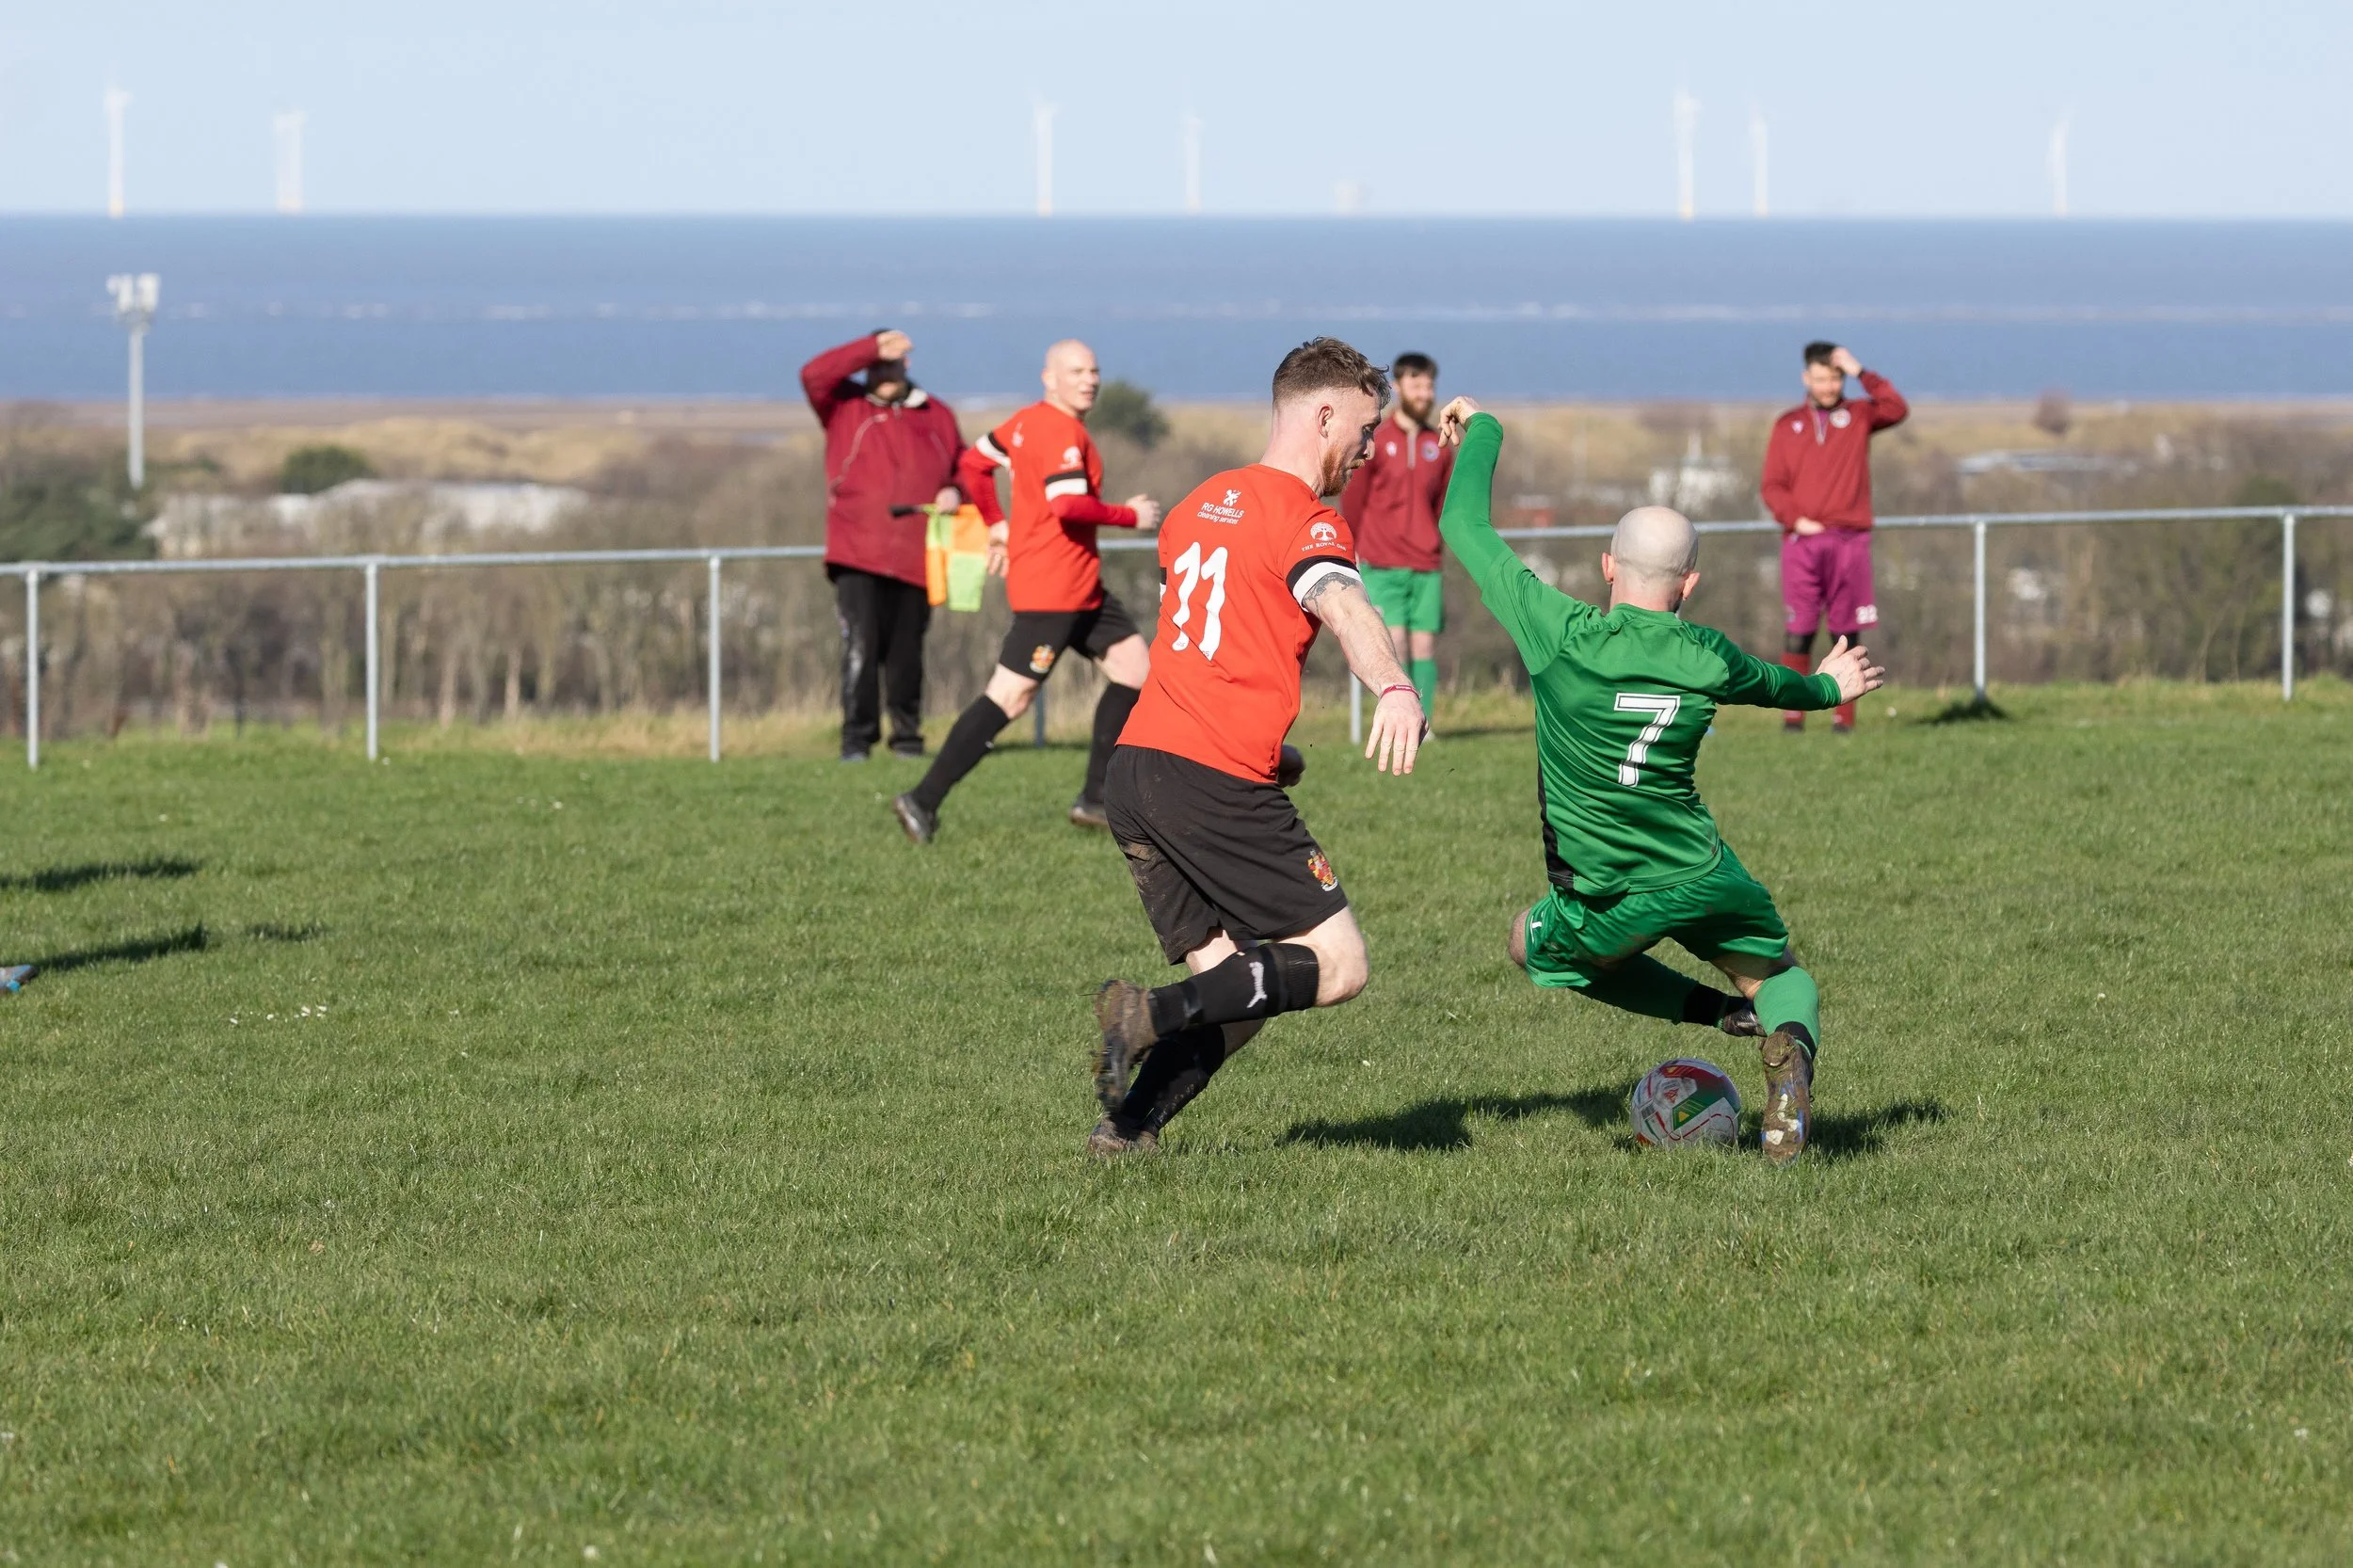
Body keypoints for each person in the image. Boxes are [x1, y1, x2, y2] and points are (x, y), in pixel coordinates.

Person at [1438, 396, 1883, 1165]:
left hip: (1607, 894)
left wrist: (1483, 430)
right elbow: (1779, 684)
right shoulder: (1707, 655)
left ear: (1608, 567)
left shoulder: (1559, 635)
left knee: (1531, 946)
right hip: (1703, 871)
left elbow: (1464, 529)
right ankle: (1783, 1047)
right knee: (1780, 976)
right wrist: (1828, 689)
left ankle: (1717, 1017)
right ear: (1689, 584)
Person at [1086, 338, 1428, 1158]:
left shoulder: (1198, 505)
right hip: (1208, 776)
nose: (1371, 447)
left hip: (1135, 772)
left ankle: (1127, 1131)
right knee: (1337, 965)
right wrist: (1396, 686)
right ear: (1322, 414)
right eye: (1365, 427)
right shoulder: (1307, 519)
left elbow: (1205, 651)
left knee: (1239, 992)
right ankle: (1144, 1013)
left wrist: (1275, 754)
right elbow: (1344, 605)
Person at [892, 340, 1160, 840]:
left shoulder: (1023, 422)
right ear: (1049, 378)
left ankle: (1096, 800)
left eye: (1094, 370)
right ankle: (921, 800)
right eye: (1076, 371)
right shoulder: (1058, 429)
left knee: (1136, 670)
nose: (1090, 380)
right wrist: (1130, 516)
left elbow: (973, 464)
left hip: (1083, 589)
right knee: (1010, 697)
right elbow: (1066, 505)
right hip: (1052, 591)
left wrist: (997, 524)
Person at [801, 329, 971, 760]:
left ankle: (908, 740)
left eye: (892, 363)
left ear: (907, 366)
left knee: (906, 655)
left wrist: (955, 490)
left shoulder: (937, 415)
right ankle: (856, 742)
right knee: (860, 646)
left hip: (918, 556)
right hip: (857, 553)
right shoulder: (844, 407)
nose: (884, 373)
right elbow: (813, 374)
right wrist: (869, 347)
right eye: (876, 364)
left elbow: (965, 469)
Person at [1758, 342, 1907, 733]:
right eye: (1822, 378)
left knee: (1846, 631)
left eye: (1836, 377)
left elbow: (1896, 408)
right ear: (1807, 378)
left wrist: (1861, 371)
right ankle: (1793, 718)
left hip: (1850, 541)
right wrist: (1795, 519)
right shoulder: (1786, 424)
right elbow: (1772, 485)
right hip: (1802, 542)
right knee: (1800, 629)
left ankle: (1845, 721)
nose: (1828, 386)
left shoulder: (1859, 415)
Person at [1339, 351, 1454, 712]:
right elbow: (1354, 499)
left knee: (1424, 647)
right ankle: (1399, 718)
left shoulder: (1439, 444)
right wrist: (1353, 546)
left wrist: (1434, 542)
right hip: (1381, 560)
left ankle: (1426, 723)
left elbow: (1442, 505)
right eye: (1416, 385)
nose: (1424, 393)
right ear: (1397, 386)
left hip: (1425, 562)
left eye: (1429, 385)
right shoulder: (1375, 440)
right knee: (1395, 644)